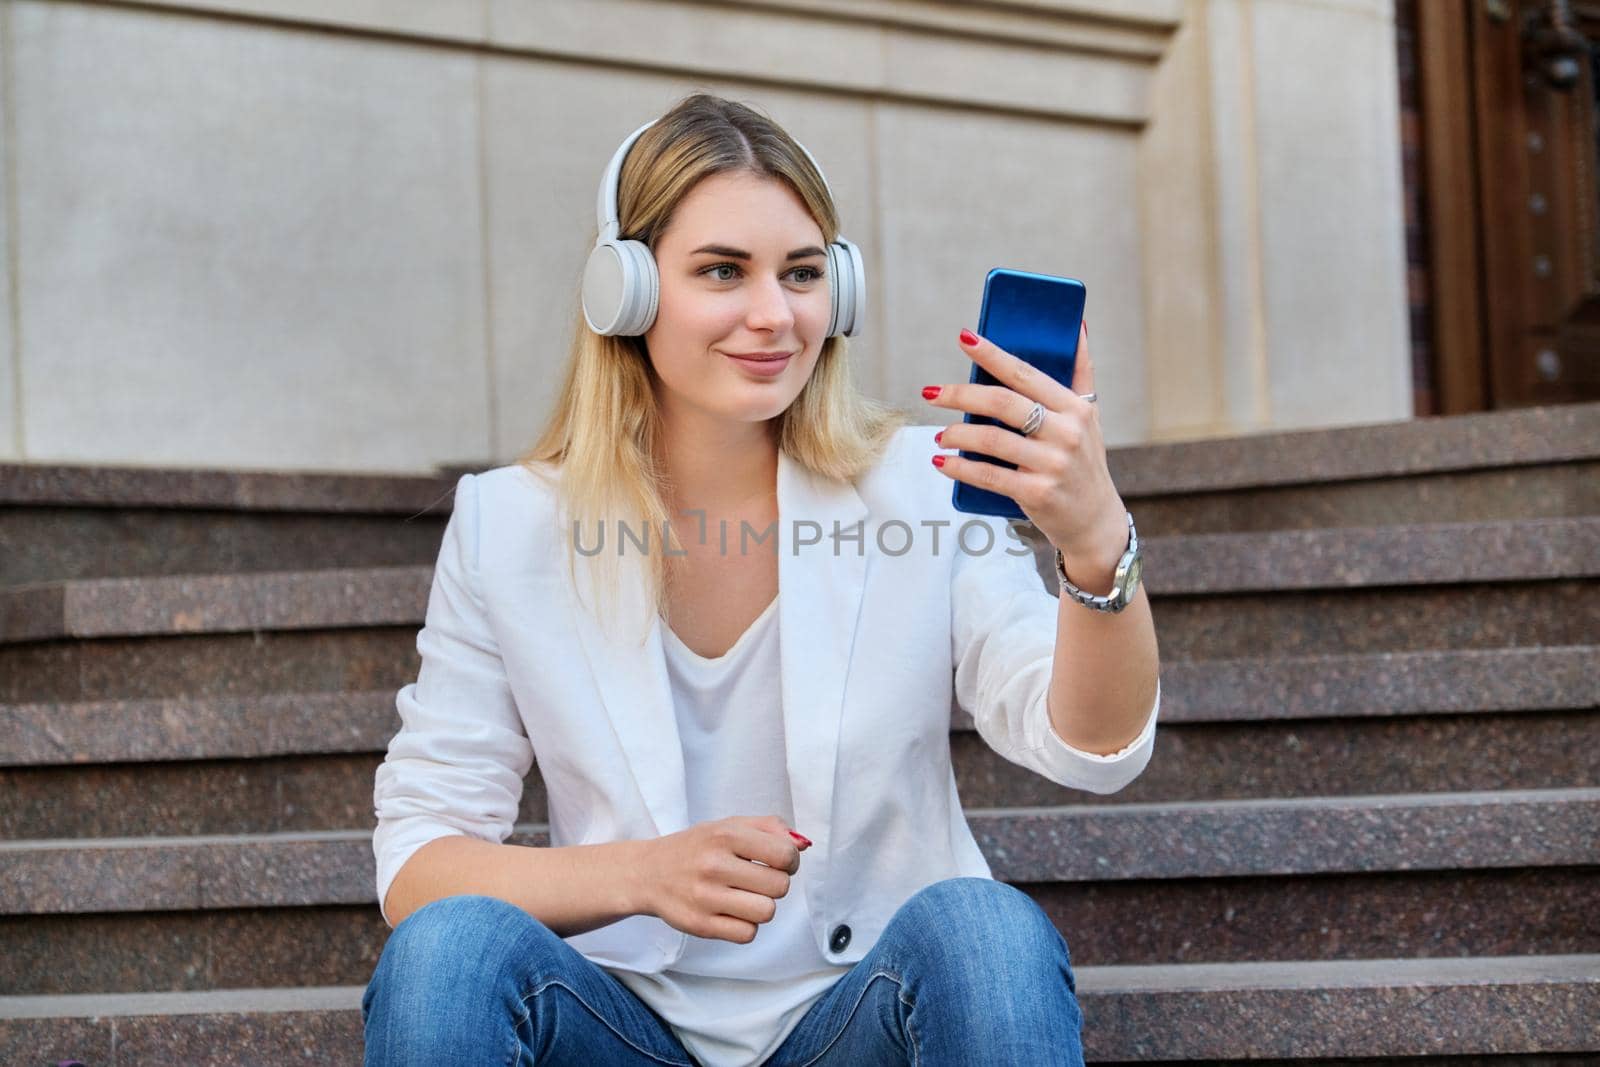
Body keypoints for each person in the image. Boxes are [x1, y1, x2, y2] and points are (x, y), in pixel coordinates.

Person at [362, 92, 1161, 1066]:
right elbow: (418, 863)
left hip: (859, 1015)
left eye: (801, 272)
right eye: (721, 271)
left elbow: (1092, 745)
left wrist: (1093, 541)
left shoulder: (919, 488)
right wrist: (640, 873)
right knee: (447, 949)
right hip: (618, 1027)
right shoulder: (510, 522)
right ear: (624, 289)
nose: (773, 314)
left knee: (982, 929)